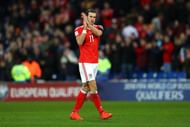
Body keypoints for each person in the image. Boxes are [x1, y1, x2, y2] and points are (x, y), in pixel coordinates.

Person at [70, 9, 112, 120]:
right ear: (87, 17)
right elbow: (79, 42)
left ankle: (74, 113)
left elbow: (99, 33)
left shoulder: (98, 27)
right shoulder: (78, 29)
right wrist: (85, 28)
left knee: (86, 87)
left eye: (94, 16)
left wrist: (88, 25)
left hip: (94, 63)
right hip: (85, 62)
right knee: (93, 86)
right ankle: (102, 112)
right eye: (90, 16)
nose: (93, 18)